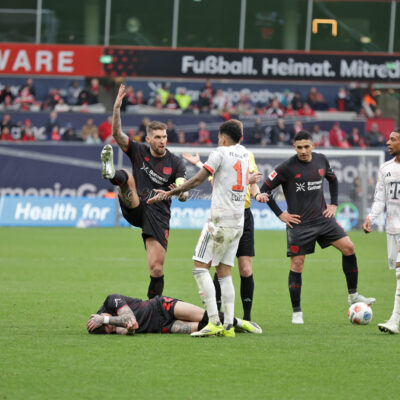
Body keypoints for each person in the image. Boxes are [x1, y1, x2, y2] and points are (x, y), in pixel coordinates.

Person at [148, 119, 268, 337]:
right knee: (224, 272)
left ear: (222, 137)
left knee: (200, 267)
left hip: (219, 221)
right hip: (239, 220)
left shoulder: (219, 153)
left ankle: (213, 321)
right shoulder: (244, 154)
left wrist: (169, 193)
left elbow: (197, 181)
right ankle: (228, 326)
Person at [260, 130, 375, 324]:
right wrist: (280, 214)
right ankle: (297, 312)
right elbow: (264, 191)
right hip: (299, 224)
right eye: (299, 147)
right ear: (294, 147)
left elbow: (333, 179)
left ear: (312, 146)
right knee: (297, 264)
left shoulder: (322, 160)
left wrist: (334, 204)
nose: (303, 151)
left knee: (349, 247)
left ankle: (353, 296)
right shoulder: (286, 167)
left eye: (306, 146)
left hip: (323, 219)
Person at [101, 84, 187, 299]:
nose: (162, 141)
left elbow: (183, 188)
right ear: (148, 139)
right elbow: (117, 134)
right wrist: (117, 108)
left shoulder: (175, 162)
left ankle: (152, 307)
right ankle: (111, 173)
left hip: (158, 215)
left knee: (156, 269)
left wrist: (179, 192)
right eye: (157, 137)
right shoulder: (138, 150)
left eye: (164, 137)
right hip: (136, 206)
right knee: (127, 178)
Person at [182, 149, 265, 321]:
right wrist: (198, 163)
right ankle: (217, 317)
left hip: (244, 215)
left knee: (245, 268)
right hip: (225, 214)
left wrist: (257, 194)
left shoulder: (247, 155)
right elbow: (216, 179)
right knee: (220, 266)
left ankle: (247, 318)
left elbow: (252, 182)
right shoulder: (222, 155)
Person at [362, 128, 400, 334]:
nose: (388, 142)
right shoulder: (385, 168)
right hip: (392, 230)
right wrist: (371, 218)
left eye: (393, 139)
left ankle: (394, 321)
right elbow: (380, 199)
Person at [87, 293, 262, 335]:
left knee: (206, 316)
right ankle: (232, 328)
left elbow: (130, 319)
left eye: (108, 326)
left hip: (162, 306)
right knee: (203, 328)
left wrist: (105, 320)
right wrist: (112, 324)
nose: (112, 327)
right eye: (109, 330)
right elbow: (132, 326)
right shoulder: (112, 325)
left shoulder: (112, 300)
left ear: (101, 314)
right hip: (163, 326)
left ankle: (241, 323)